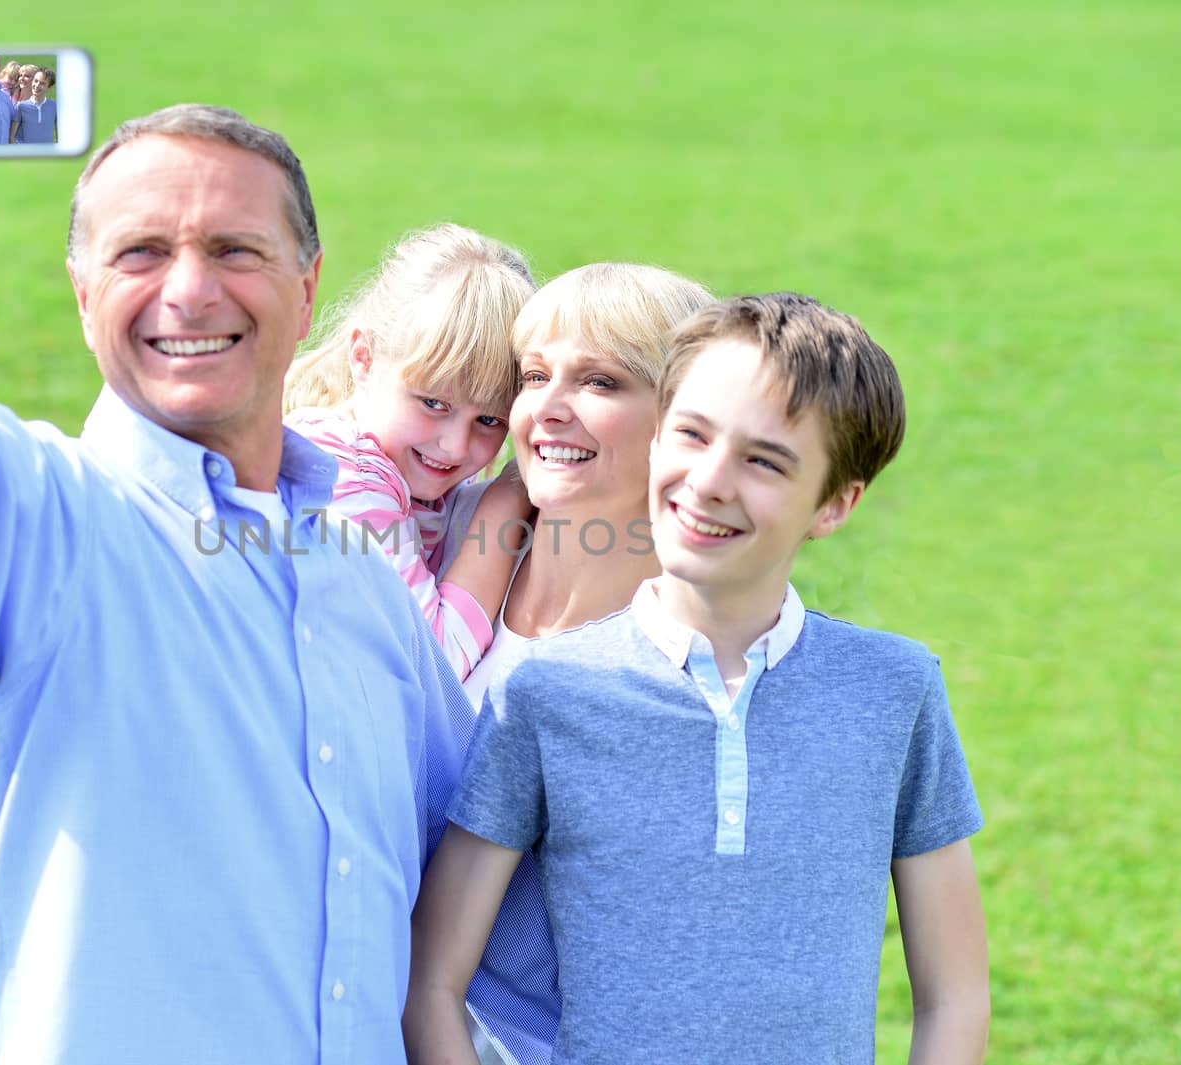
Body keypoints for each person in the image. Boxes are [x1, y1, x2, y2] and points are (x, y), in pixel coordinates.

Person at [0, 20, 478, 1064]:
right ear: (82, 292)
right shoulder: (49, 526)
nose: (189, 291)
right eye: (141, 252)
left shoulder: (361, 580)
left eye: (235, 251)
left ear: (307, 287)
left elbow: (474, 877)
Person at [406, 293, 990, 1065]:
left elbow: (955, 995)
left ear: (835, 504)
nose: (709, 480)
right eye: (690, 433)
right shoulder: (547, 693)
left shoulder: (894, 689)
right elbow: (433, 983)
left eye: (764, 460)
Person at [431, 262, 716, 1064]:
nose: (548, 409)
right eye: (534, 376)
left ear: (682, 422)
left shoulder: (686, 656)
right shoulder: (448, 537)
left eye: (600, 381)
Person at [284, 223, 537, 681]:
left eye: (490, 420)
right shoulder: (344, 474)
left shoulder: (399, 473)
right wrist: (509, 498)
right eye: (434, 403)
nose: (455, 446)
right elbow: (435, 662)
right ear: (364, 358)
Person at [12, 65, 57, 144]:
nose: (37, 85)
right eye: (35, 81)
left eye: (42, 83)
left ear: (49, 87)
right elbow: (12, 136)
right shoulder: (21, 106)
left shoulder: (54, 106)